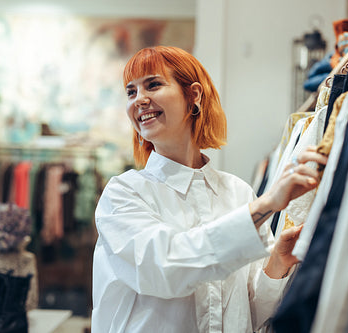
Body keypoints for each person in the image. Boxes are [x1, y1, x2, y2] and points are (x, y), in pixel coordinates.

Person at [91, 46, 327, 333]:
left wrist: (277, 263)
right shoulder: (123, 194)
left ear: (194, 95)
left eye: (153, 84)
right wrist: (266, 206)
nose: (139, 99)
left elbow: (251, 313)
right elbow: (167, 268)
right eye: (130, 92)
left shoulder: (238, 192)